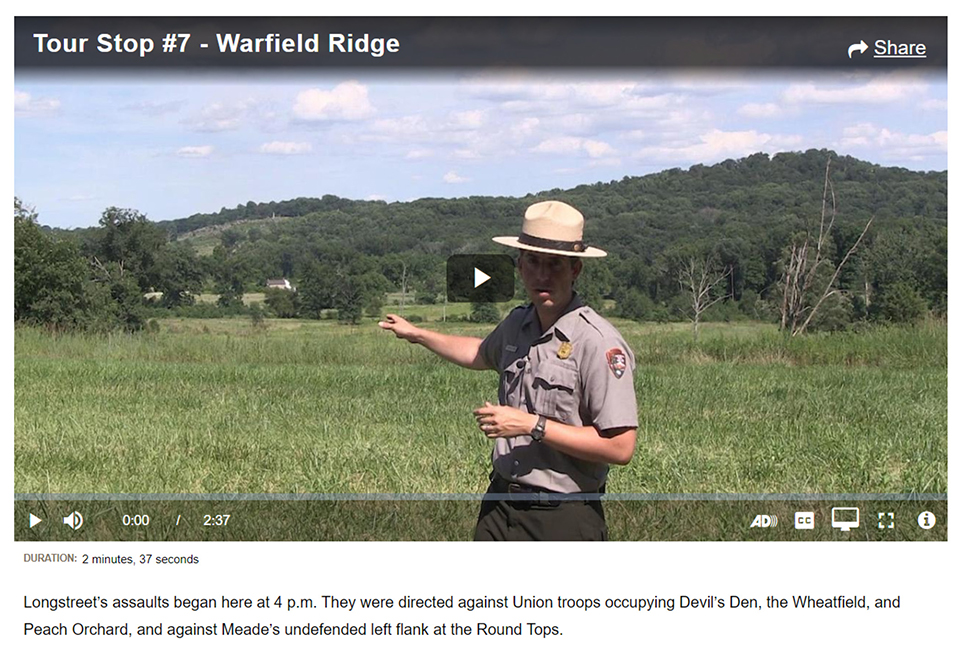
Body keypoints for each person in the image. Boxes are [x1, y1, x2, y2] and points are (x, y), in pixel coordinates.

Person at [379, 200, 638, 540]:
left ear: (576, 270)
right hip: (499, 506)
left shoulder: (598, 342)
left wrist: (532, 425)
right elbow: (480, 352)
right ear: (519, 266)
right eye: (533, 261)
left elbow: (620, 447)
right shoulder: (519, 323)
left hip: (563, 517)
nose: (542, 274)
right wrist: (419, 334)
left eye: (555, 264)